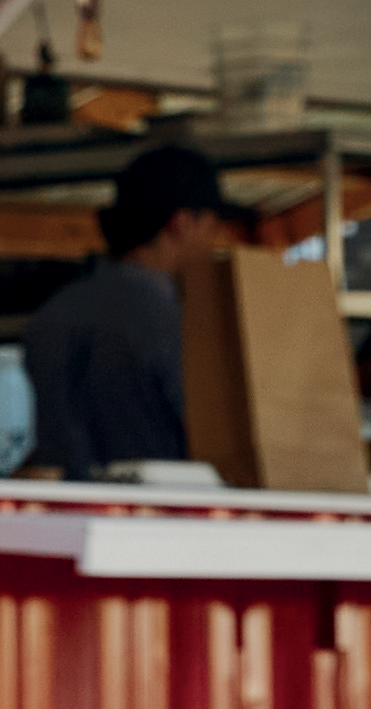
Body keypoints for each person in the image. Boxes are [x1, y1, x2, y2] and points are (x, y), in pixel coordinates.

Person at [21, 137, 233, 474]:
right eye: (211, 227)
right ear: (181, 223)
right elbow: (211, 437)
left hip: (65, 511)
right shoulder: (175, 321)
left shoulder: (54, 313)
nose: (213, 243)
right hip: (164, 512)